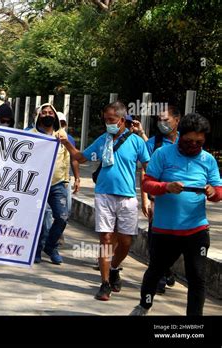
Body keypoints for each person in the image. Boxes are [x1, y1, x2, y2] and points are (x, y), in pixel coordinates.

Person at [130, 113, 222, 316]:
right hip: (165, 230)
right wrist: (166, 187)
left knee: (197, 277)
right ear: (180, 136)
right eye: (189, 141)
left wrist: (214, 193)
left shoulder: (208, 159)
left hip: (196, 230)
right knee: (155, 271)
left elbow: (219, 190)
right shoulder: (162, 154)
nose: (194, 145)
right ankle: (144, 305)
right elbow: (147, 184)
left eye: (199, 142)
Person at [60, 101, 150, 301]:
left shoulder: (136, 142)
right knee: (106, 240)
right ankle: (105, 283)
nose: (107, 123)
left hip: (127, 197)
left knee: (125, 241)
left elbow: (149, 167)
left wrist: (150, 195)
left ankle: (115, 268)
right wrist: (66, 143)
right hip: (104, 195)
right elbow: (81, 158)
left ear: (121, 120)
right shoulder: (103, 140)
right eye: (105, 119)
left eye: (111, 120)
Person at [141, 105, 181, 294]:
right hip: (158, 200)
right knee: (155, 240)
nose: (162, 123)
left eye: (166, 120)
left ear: (177, 120)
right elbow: (145, 172)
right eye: (159, 120)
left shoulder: (187, 142)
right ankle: (160, 278)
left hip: (183, 204)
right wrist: (146, 200)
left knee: (179, 242)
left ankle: (166, 269)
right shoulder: (154, 144)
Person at [30, 103, 72, 265]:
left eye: (50, 112)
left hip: (58, 183)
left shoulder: (61, 135)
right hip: (37, 184)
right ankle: (37, 249)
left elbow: (66, 157)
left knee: (62, 217)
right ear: (39, 116)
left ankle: (51, 246)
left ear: (55, 116)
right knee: (39, 218)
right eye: (44, 112)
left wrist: (67, 180)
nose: (47, 115)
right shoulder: (31, 134)